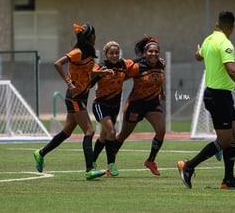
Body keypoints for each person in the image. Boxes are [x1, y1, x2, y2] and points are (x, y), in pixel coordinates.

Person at [177, 11, 235, 189]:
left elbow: (198, 56)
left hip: (219, 95)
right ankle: (188, 166)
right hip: (218, 96)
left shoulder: (209, 40)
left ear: (217, 24)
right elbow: (231, 70)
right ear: (232, 27)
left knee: (232, 136)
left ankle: (228, 179)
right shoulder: (226, 44)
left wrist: (198, 52)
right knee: (224, 141)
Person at [33, 23, 109, 180]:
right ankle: (89, 169)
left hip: (81, 96)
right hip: (74, 97)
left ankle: (40, 153)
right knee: (89, 131)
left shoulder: (87, 52)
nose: (95, 37)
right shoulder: (77, 52)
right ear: (90, 37)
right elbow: (57, 63)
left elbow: (88, 69)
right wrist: (69, 82)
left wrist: (101, 72)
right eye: (94, 34)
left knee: (67, 132)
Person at [110, 35, 166, 176]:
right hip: (136, 105)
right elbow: (122, 78)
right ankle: (110, 164)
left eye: (156, 52)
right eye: (150, 52)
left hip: (152, 103)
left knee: (161, 130)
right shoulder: (136, 67)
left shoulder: (161, 64)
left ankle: (150, 161)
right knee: (122, 135)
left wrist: (162, 93)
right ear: (145, 53)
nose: (153, 54)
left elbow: (159, 79)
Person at [91, 41, 137, 177]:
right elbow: (89, 83)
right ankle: (111, 164)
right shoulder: (101, 67)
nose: (114, 55)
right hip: (100, 104)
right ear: (106, 54)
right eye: (111, 53)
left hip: (114, 106)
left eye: (117, 52)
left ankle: (92, 161)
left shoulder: (123, 65)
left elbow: (136, 63)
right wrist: (100, 74)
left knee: (104, 136)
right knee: (112, 131)